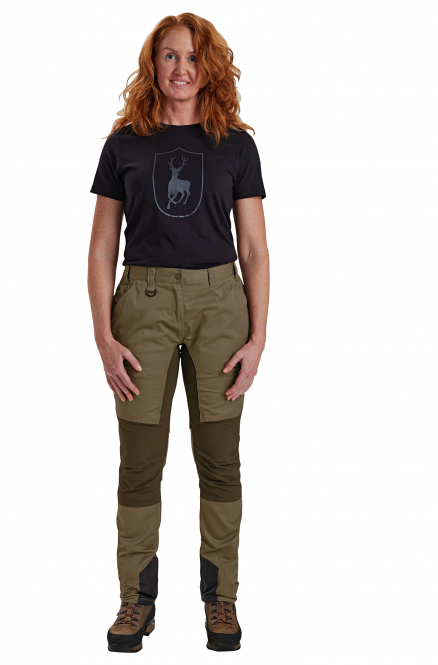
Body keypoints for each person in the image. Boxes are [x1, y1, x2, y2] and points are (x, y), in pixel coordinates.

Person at [87, 12, 269, 653]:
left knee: (220, 460)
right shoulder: (125, 145)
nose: (182, 69)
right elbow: (102, 245)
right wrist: (104, 337)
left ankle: (222, 600)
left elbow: (254, 247)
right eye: (169, 56)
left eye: (193, 58)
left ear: (209, 66)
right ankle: (135, 602)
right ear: (153, 64)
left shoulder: (235, 146)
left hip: (221, 306)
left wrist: (258, 338)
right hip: (143, 305)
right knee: (139, 462)